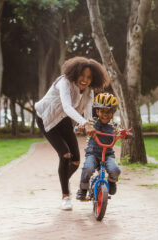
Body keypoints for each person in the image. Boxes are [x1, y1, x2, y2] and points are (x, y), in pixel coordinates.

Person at [35, 56, 109, 210]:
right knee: (65, 155)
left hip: (63, 121)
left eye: (89, 77)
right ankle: (65, 196)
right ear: (75, 73)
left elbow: (88, 112)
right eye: (82, 76)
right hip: (46, 119)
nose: (85, 80)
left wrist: (87, 124)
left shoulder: (89, 91)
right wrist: (84, 123)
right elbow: (67, 107)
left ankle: (63, 180)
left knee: (75, 161)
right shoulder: (64, 83)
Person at [76, 93, 132, 201]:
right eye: (102, 111)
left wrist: (125, 134)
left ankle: (111, 182)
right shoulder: (91, 122)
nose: (105, 114)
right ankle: (83, 189)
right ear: (97, 111)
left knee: (116, 170)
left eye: (108, 112)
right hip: (93, 153)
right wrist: (80, 128)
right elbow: (82, 125)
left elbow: (120, 131)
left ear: (113, 112)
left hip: (108, 154)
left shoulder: (114, 125)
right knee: (87, 168)